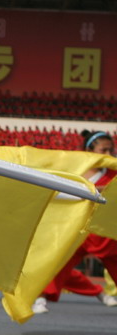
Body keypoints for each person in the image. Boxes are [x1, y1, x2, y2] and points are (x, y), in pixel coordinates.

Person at [32, 130, 117, 314]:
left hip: (107, 234)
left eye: (112, 150)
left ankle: (101, 294)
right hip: (81, 231)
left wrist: (98, 190)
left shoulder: (113, 173)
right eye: (104, 150)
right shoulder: (76, 172)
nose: (109, 155)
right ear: (90, 151)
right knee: (57, 263)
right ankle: (40, 298)